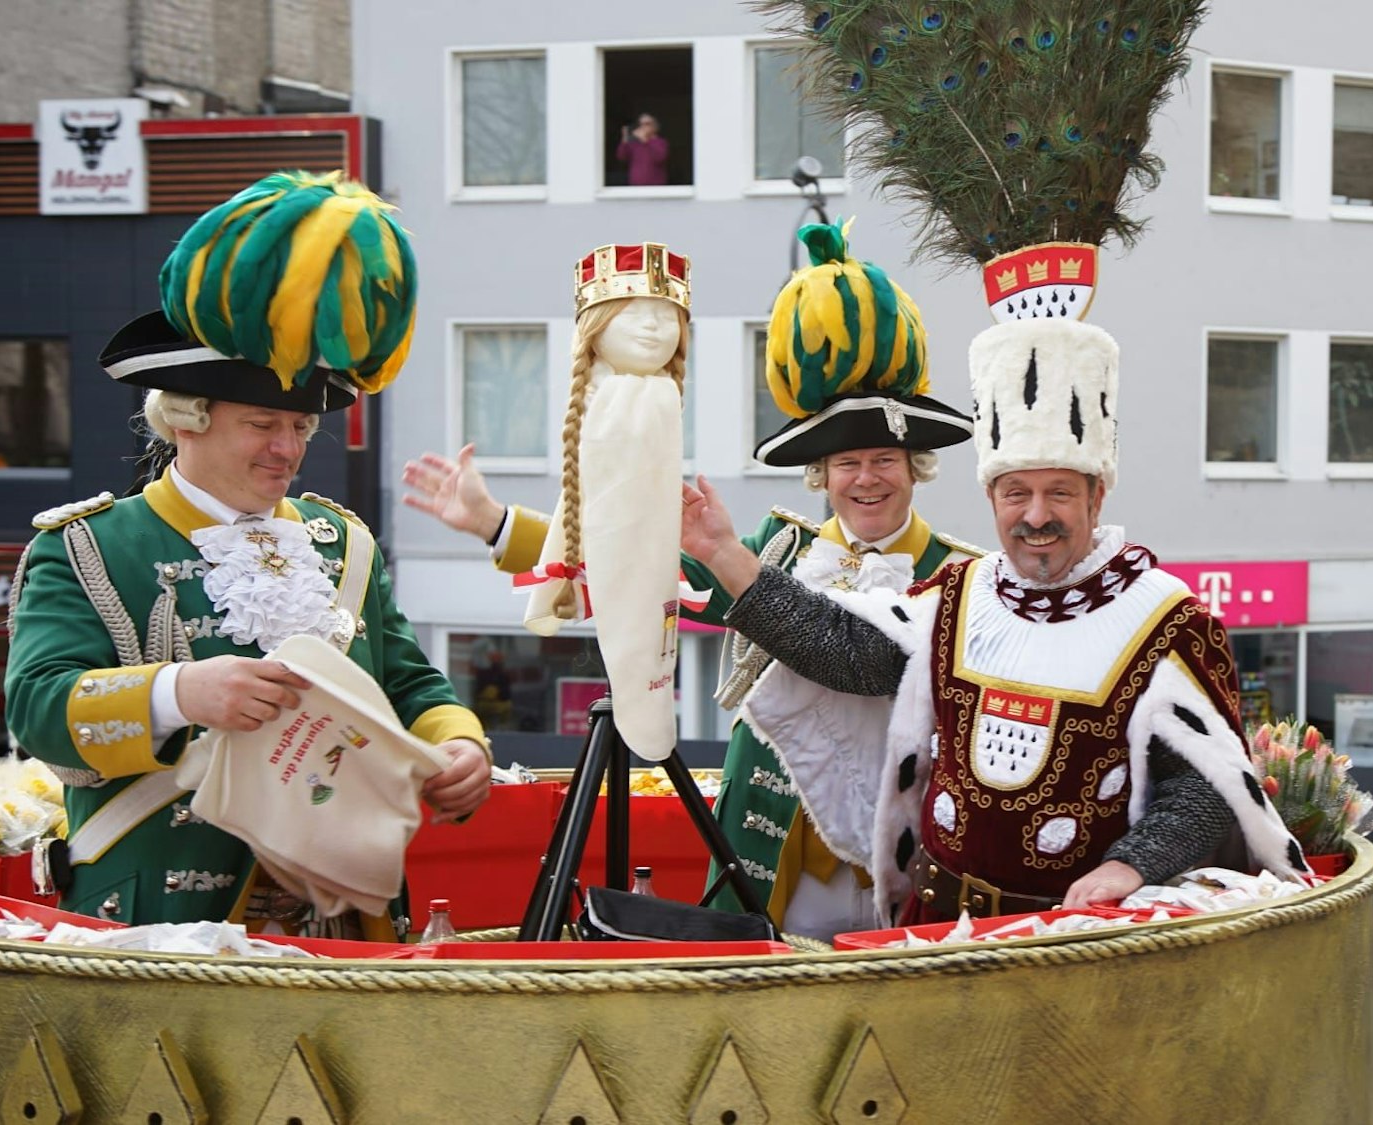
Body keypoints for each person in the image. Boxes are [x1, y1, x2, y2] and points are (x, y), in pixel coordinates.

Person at [679, 257, 1311, 924]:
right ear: (991, 496)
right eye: (1017, 492)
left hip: (1073, 945)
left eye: (1059, 492)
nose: (1036, 515)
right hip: (936, 932)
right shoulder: (958, 594)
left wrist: (1132, 863)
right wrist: (724, 553)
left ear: (1098, 493)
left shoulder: (1166, 619)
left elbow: (1204, 788)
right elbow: (845, 650)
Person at [403, 222, 977, 940]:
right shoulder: (773, 545)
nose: (865, 478)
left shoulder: (961, 576)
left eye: (884, 459)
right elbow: (628, 556)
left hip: (905, 861)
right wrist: (493, 521)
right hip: (777, 857)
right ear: (821, 474)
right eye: (846, 462)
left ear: (913, 465)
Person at [4, 172, 490, 934]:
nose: (288, 448)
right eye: (264, 423)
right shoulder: (87, 546)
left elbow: (408, 682)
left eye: (300, 428)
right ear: (187, 418)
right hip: (161, 924)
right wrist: (180, 692)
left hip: (341, 921)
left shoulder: (343, 542)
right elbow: (35, 707)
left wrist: (456, 742)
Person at [615, 113, 669, 187]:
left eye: (646, 124)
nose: (642, 126)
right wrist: (624, 139)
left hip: (655, 188)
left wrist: (645, 140)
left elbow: (659, 158)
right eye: (640, 124)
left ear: (654, 126)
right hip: (635, 188)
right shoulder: (634, 144)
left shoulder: (660, 142)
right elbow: (621, 157)